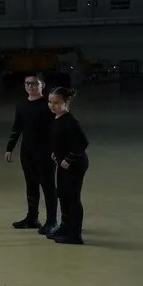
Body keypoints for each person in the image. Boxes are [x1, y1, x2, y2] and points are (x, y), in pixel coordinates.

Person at [4, 73, 59, 234]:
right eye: (27, 84)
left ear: (42, 85)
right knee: (31, 184)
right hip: (27, 151)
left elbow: (56, 129)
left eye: (34, 83)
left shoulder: (48, 105)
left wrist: (57, 150)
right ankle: (32, 218)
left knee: (48, 186)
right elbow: (17, 127)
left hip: (45, 151)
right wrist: (10, 147)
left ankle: (52, 221)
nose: (30, 86)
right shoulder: (22, 104)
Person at [47, 87, 90, 245]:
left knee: (73, 198)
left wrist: (68, 159)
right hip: (62, 164)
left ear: (66, 102)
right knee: (63, 195)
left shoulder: (70, 121)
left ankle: (75, 235)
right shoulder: (57, 118)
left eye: (57, 103)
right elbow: (61, 140)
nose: (52, 105)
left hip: (75, 165)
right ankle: (65, 227)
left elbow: (82, 143)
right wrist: (55, 153)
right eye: (50, 102)